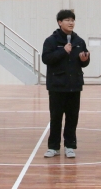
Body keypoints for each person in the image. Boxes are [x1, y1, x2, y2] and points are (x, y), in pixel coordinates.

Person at [42, 9, 90, 159]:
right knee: (56, 117)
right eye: (67, 20)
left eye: (72, 20)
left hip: (74, 85)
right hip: (57, 85)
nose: (71, 23)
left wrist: (85, 60)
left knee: (72, 117)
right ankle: (53, 147)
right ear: (59, 22)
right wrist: (63, 51)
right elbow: (46, 59)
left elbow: (84, 62)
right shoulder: (51, 41)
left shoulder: (79, 41)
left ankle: (70, 146)